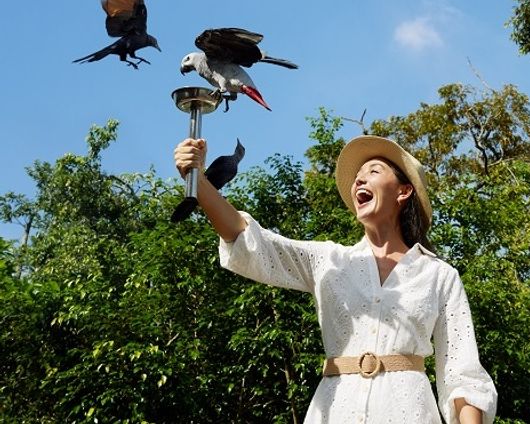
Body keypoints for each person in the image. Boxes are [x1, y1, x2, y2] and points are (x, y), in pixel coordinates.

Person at [174, 134, 497, 423]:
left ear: (404, 191)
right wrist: (199, 182)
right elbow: (253, 244)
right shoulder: (329, 260)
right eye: (357, 177)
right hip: (335, 408)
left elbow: (461, 373)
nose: (359, 181)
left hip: (409, 410)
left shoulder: (439, 275)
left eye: (373, 171)